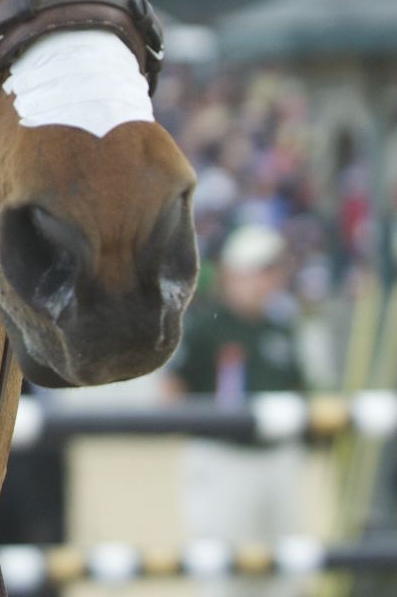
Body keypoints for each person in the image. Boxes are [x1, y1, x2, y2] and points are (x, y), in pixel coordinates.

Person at [165, 224, 311, 597]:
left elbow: (301, 389)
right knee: (224, 573)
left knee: (283, 571)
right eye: (258, 270)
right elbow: (171, 390)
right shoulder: (205, 327)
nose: (267, 280)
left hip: (277, 457)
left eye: (271, 270)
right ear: (232, 274)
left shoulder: (281, 327)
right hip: (223, 460)